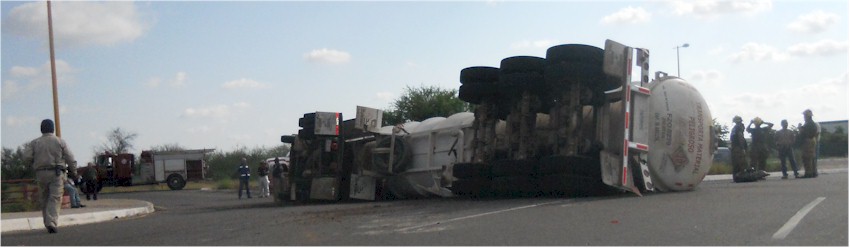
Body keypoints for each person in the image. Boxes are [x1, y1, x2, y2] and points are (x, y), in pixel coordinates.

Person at [22, 119, 77, 234]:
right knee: (55, 198)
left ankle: (47, 222)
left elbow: (26, 157)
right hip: (56, 173)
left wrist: (33, 164)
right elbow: (70, 158)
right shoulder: (60, 142)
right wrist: (74, 172)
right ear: (52, 128)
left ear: (41, 129)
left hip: (40, 173)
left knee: (44, 198)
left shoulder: (35, 142)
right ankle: (51, 222)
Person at [730, 116, 753, 182]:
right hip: (738, 148)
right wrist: (743, 148)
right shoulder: (739, 127)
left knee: (735, 163)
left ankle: (735, 177)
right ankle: (741, 177)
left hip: (734, 147)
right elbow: (740, 137)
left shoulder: (734, 128)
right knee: (741, 162)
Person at [799, 109, 820, 178]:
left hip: (808, 141)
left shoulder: (809, 124)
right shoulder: (812, 123)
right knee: (811, 157)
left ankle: (808, 173)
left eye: (804, 115)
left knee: (807, 157)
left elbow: (806, 133)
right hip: (812, 140)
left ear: (807, 116)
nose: (804, 117)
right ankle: (813, 172)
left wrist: (800, 129)